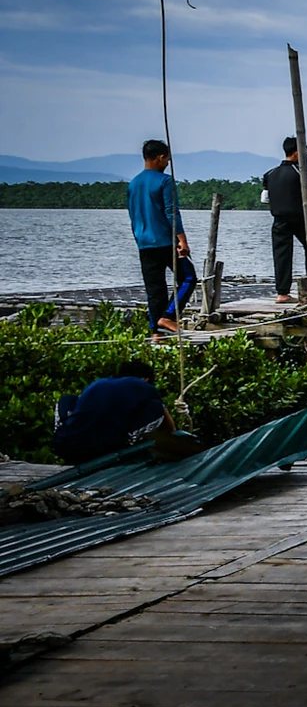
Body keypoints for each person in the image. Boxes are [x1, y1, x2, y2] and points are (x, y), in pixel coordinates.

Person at [51, 359, 187, 465]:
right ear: (145, 379)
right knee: (155, 407)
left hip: (65, 446)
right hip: (104, 450)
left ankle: (61, 435)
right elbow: (167, 421)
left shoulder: (99, 383)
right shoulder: (144, 386)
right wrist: (175, 437)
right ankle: (127, 447)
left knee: (69, 400)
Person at [127, 139, 189, 333]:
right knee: (188, 278)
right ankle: (168, 317)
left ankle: (156, 333)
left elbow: (133, 214)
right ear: (160, 158)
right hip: (164, 240)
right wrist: (182, 240)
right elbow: (172, 212)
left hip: (144, 242)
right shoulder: (165, 181)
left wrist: (138, 239)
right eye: (167, 159)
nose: (168, 163)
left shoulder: (133, 183)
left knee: (155, 290)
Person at [263, 137, 307, 304]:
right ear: (296, 153)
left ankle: (282, 293)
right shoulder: (299, 172)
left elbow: (265, 199)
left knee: (281, 255)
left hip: (279, 218)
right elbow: (306, 194)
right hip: (299, 217)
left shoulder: (270, 174)